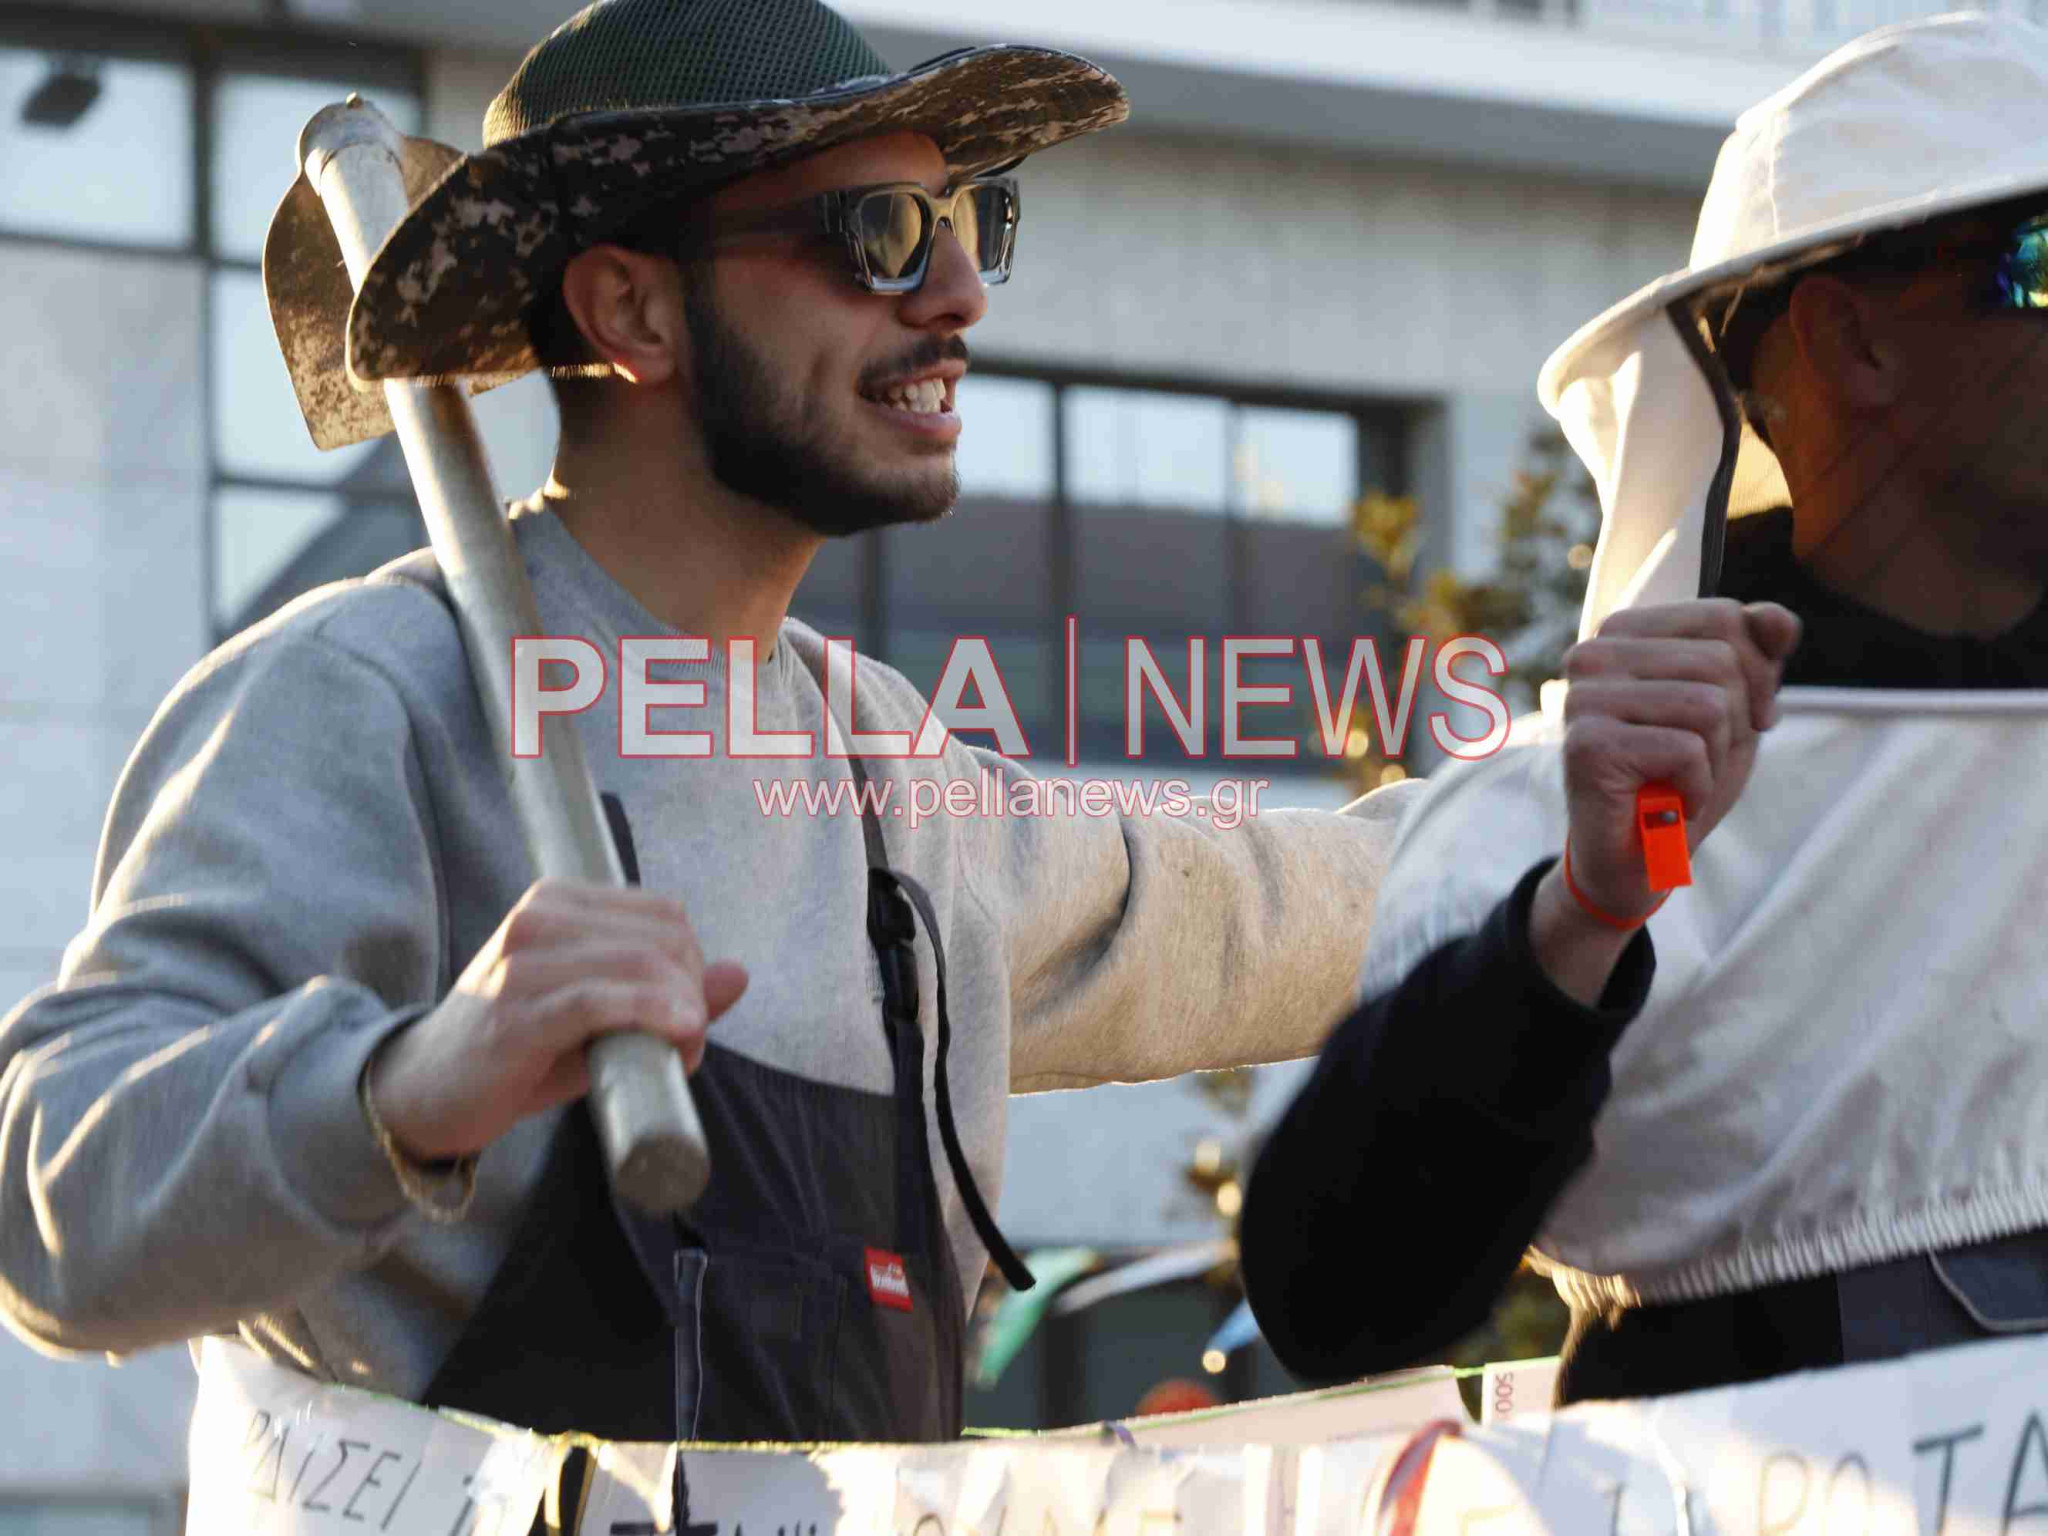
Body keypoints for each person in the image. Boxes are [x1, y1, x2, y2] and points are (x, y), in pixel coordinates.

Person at [0, 0, 1408, 1451]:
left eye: (966, 223)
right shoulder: (366, 704)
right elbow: (53, 1207)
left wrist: (1579, 823)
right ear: (632, 311)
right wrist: (407, 1088)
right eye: (877, 233)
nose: (956, 298)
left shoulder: (891, 785)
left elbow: (1267, 907)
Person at [1242, 11, 2048, 1406]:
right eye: (2038, 266)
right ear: (1852, 344)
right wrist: (1591, 909)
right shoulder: (1642, 815)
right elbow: (1344, 1298)